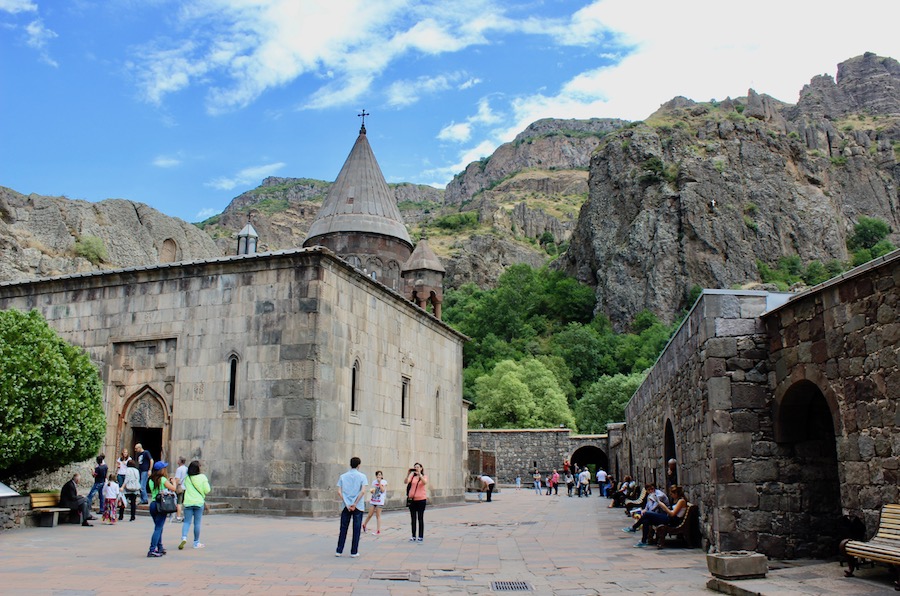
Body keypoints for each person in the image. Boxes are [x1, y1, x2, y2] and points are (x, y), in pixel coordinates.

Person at [335, 456, 367, 557]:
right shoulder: (362, 476)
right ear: (359, 465)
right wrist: (355, 503)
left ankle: (339, 550)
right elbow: (362, 491)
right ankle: (354, 551)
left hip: (346, 505)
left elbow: (339, 492)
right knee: (356, 528)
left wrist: (347, 503)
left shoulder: (343, 476)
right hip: (358, 505)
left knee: (343, 528)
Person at [179, 460, 211, 550]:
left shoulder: (187, 478)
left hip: (188, 502)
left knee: (186, 522)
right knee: (197, 523)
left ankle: (184, 537)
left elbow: (184, 486)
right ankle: (196, 542)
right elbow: (207, 490)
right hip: (198, 502)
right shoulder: (202, 477)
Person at [147, 461, 175, 558]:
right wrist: (174, 482)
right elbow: (173, 488)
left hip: (153, 504)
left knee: (158, 527)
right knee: (158, 528)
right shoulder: (162, 479)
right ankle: (152, 549)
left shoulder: (151, 480)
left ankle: (160, 547)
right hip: (161, 505)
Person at [405, 462, 428, 542]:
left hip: (421, 499)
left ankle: (421, 536)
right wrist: (408, 474)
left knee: (420, 518)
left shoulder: (424, 476)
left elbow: (424, 482)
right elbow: (405, 482)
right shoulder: (412, 477)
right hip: (412, 500)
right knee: (413, 518)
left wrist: (419, 475)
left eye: (418, 467)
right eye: (415, 467)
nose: (416, 468)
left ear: (421, 468)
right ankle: (413, 535)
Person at [174, 457, 188, 522]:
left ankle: (178, 516)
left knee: (179, 503)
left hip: (180, 487)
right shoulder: (186, 469)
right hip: (186, 487)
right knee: (184, 503)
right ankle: (185, 516)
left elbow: (177, 479)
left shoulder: (179, 469)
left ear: (180, 461)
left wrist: (174, 486)